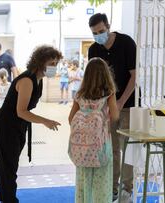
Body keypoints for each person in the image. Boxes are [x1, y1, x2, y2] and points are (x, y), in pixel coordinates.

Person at [0, 45, 63, 202]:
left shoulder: (38, 80)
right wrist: (45, 121)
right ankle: (9, 199)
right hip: (7, 125)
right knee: (9, 167)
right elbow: (22, 111)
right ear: (40, 62)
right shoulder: (27, 80)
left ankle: (7, 197)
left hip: (18, 125)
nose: (54, 67)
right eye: (51, 63)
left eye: (56, 64)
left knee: (11, 166)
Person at [88, 13, 138, 202]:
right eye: (94, 33)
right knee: (111, 149)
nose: (98, 36)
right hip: (105, 107)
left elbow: (135, 76)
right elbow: (95, 79)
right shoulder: (94, 49)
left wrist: (120, 102)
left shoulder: (126, 43)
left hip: (127, 104)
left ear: (108, 26)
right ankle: (112, 188)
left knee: (128, 148)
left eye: (101, 31)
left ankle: (127, 189)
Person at [68, 57, 119, 203]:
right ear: (106, 74)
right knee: (101, 183)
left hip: (82, 149)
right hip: (102, 146)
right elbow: (115, 116)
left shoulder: (80, 95)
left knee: (83, 182)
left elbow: (71, 119)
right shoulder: (109, 93)